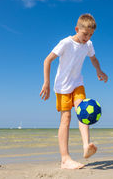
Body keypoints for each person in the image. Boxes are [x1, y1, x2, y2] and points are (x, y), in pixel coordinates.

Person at [40, 13, 108, 169]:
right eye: (85, 34)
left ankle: (86, 146)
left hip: (77, 83)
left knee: (82, 111)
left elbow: (93, 58)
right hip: (62, 86)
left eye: (90, 35)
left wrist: (99, 70)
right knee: (66, 118)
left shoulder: (89, 44)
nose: (87, 38)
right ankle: (65, 159)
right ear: (77, 29)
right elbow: (47, 60)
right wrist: (46, 83)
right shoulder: (65, 43)